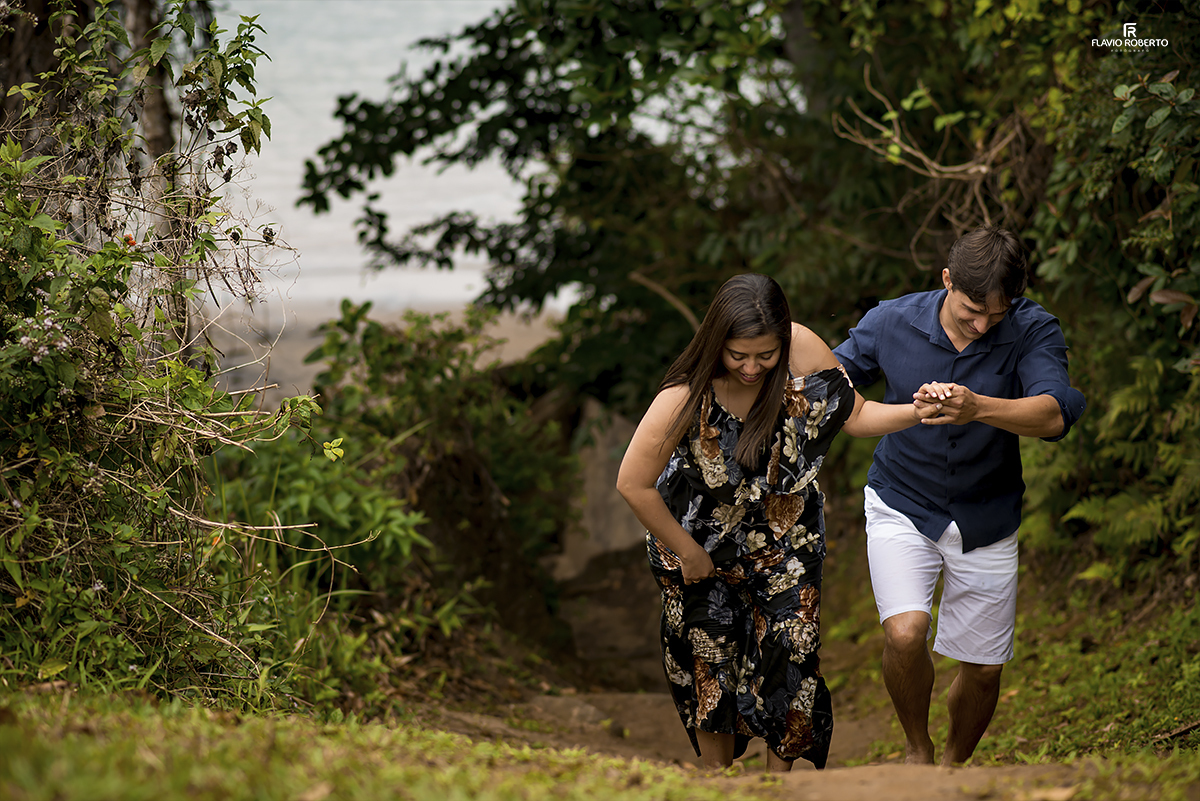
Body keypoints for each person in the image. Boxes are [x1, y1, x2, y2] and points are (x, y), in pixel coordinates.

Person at [616, 273, 940, 772]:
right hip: (697, 538)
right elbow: (633, 483)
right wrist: (688, 552)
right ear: (716, 342)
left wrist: (917, 412)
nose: (752, 368)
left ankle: (779, 784)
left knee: (792, 649)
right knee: (712, 661)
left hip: (785, 534)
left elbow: (855, 416)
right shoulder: (683, 397)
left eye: (765, 356)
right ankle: (718, 780)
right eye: (738, 356)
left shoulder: (801, 347)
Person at [832, 226, 1087, 766]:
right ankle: (917, 751)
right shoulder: (890, 320)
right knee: (906, 634)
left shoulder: (1033, 327)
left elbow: (1054, 413)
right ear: (947, 279)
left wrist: (978, 407)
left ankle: (953, 768)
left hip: (987, 513)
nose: (982, 324)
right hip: (901, 500)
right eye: (972, 310)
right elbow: (832, 384)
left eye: (996, 314)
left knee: (985, 669)